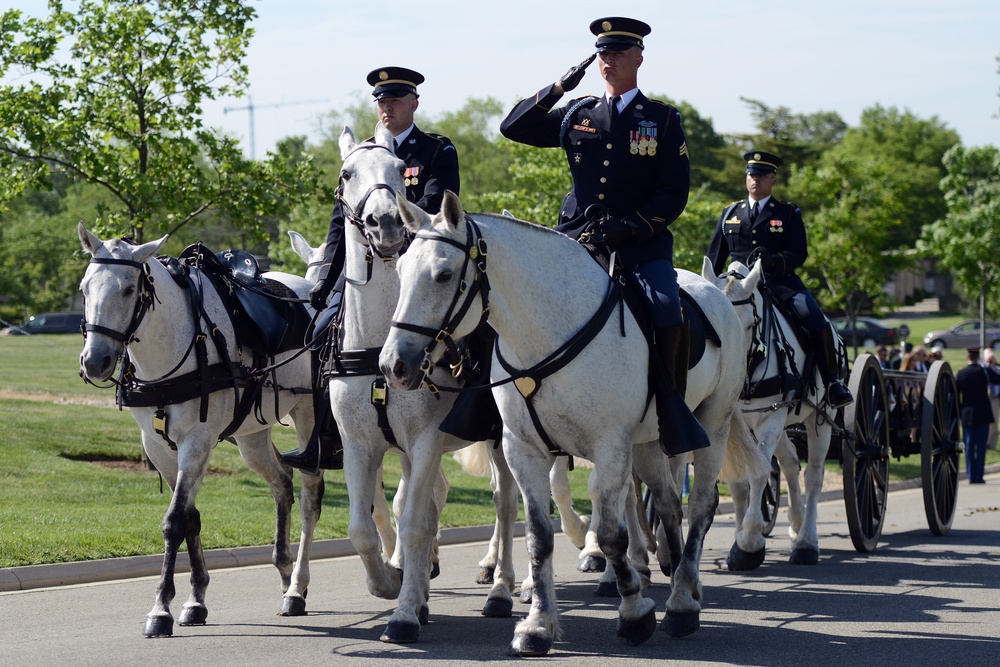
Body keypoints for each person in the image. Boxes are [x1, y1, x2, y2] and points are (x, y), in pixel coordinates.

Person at [498, 16, 708, 456]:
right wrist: (558, 87)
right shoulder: (578, 113)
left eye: (615, 52)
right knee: (508, 302)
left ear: (638, 57)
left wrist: (632, 224)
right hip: (576, 243)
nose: (606, 60)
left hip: (638, 245)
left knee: (668, 310)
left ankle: (670, 406)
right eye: (601, 54)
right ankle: (494, 408)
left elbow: (674, 192)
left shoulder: (661, 119)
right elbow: (513, 127)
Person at [282, 66, 461, 474]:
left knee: (468, 331)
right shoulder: (360, 156)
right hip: (363, 273)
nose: (387, 107)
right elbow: (338, 219)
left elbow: (437, 206)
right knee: (321, 334)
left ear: (414, 104)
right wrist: (323, 281)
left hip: (419, 268)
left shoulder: (436, 150)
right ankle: (324, 438)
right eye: (381, 101)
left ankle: (475, 413)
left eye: (396, 100)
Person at [707, 150, 852, 408]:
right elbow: (715, 257)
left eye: (762, 175)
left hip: (779, 283)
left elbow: (799, 253)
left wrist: (773, 260)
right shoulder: (730, 212)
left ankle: (832, 383)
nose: (755, 180)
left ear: (773, 179)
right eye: (751, 174)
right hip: (737, 287)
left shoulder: (787, 213)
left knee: (814, 318)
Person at [955, 348, 1000, 484]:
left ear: (968, 357)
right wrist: (990, 366)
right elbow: (998, 379)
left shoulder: (961, 373)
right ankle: (979, 475)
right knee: (981, 446)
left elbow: (956, 395)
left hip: (967, 413)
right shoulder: (984, 372)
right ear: (977, 357)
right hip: (983, 413)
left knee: (969, 445)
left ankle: (970, 475)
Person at [982, 348, 1000, 450]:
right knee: (986, 424)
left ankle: (992, 444)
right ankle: (986, 442)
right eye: (987, 361)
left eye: (991, 360)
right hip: (986, 399)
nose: (990, 363)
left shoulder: (997, 369)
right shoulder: (983, 370)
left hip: (995, 399)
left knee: (994, 423)